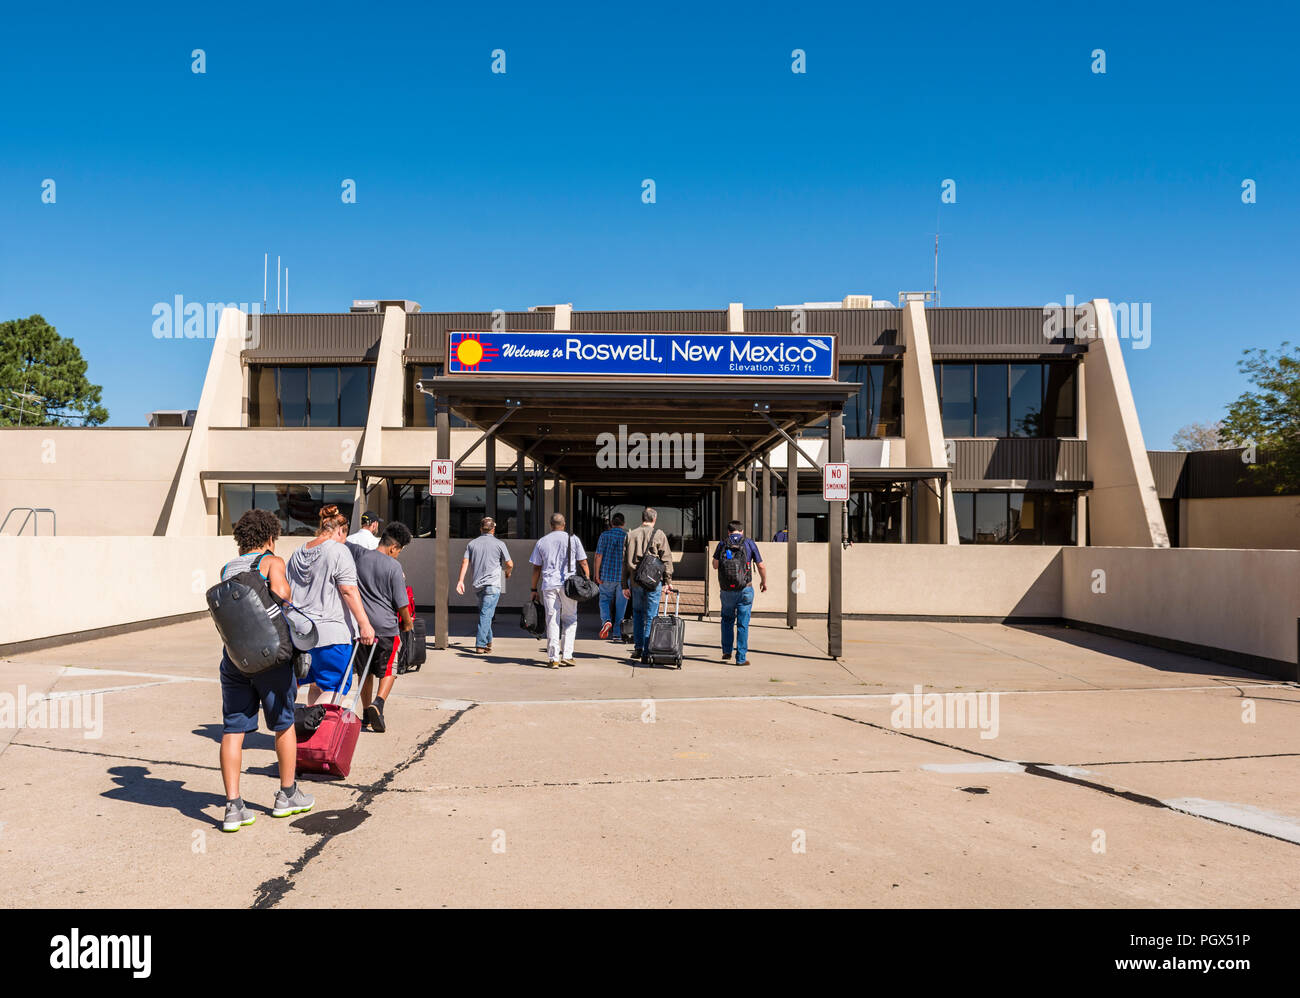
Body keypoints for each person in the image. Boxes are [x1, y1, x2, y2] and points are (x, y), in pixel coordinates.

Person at [217, 509, 314, 831]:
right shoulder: (272, 562)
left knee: (233, 729)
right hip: (270, 657)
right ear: (270, 537)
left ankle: (233, 807)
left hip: (235, 659)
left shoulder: (227, 568)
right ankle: (287, 794)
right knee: (283, 724)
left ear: (241, 539)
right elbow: (283, 596)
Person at [287, 503, 376, 706]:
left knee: (314, 684)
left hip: (300, 634)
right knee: (335, 689)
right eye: (344, 535)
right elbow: (348, 590)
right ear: (339, 530)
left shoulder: (298, 552)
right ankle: (322, 734)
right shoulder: (338, 551)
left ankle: (310, 730)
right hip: (330, 633)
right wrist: (364, 624)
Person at [346, 522, 414, 734]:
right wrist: (408, 623)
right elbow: (401, 602)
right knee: (389, 670)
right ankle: (379, 703)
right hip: (386, 628)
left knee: (365, 673)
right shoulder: (393, 566)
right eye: (399, 551)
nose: (398, 555)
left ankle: (366, 713)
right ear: (394, 547)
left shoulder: (360, 559)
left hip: (362, 628)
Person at [528, 513, 590, 668]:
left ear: (551, 525)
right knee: (570, 618)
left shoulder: (542, 542)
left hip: (549, 584)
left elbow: (536, 568)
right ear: (564, 524)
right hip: (569, 586)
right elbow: (583, 563)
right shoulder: (573, 540)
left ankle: (553, 658)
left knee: (552, 620)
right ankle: (567, 655)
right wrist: (587, 581)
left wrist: (533, 588)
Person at [622, 507, 674, 664]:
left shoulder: (630, 535)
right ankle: (647, 650)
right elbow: (666, 560)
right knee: (651, 617)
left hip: (636, 582)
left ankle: (637, 648)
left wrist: (624, 584)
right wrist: (667, 581)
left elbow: (624, 562)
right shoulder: (659, 534)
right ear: (654, 519)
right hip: (653, 582)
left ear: (642, 518)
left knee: (637, 614)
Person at [713, 519, 768, 667]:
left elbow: (715, 565)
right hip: (745, 588)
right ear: (741, 531)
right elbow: (761, 566)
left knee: (727, 620)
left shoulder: (723, 543)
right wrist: (764, 581)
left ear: (729, 531)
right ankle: (741, 658)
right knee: (743, 624)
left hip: (726, 590)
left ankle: (726, 651)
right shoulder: (749, 543)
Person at [456, 516, 513, 653]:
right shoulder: (500, 544)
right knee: (486, 614)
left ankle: (488, 642)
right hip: (494, 583)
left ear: (481, 529)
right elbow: (509, 564)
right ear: (493, 529)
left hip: (478, 584)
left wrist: (461, 581)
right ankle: (481, 644)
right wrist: (507, 573)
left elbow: (465, 562)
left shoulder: (472, 544)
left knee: (485, 613)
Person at [593, 512, 628, 640]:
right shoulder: (627, 536)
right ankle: (617, 633)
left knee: (604, 600)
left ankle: (606, 621)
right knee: (621, 605)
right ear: (624, 524)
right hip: (623, 578)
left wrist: (596, 574)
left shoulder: (604, 535)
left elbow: (598, 556)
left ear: (611, 523)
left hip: (606, 576)